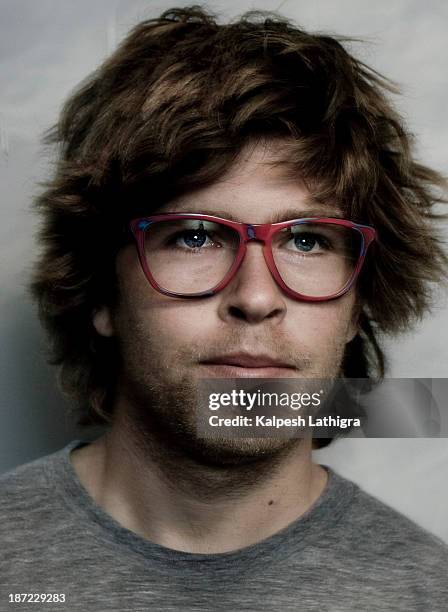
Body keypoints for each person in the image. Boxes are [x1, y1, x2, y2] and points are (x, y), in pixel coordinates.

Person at [0, 6, 447, 611]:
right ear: (102, 293)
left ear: (357, 303)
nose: (257, 298)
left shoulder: (426, 592)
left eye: (308, 240)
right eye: (194, 236)